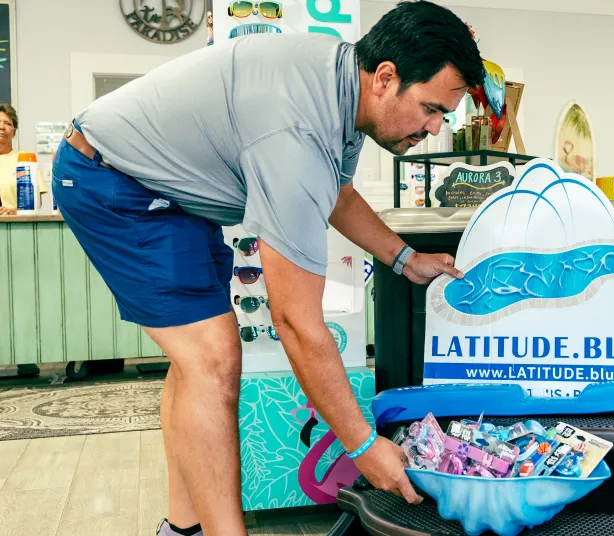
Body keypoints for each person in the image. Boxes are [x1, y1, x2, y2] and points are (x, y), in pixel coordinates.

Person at [51, 2, 483, 535]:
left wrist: (404, 257)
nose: (435, 127)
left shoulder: (341, 88)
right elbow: (298, 323)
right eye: (430, 108)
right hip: (114, 181)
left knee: (198, 361)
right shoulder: (297, 130)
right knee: (213, 359)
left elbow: (339, 195)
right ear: (386, 78)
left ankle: (180, 529)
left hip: (173, 195)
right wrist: (364, 446)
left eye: (446, 115)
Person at [0, 104, 47, 215]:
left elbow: (36, 202)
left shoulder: (25, 160)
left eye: (8, 123)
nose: (2, 127)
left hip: (16, 226)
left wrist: (15, 212)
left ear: (14, 131)